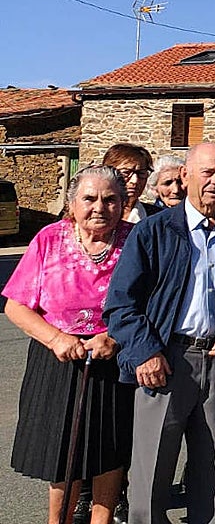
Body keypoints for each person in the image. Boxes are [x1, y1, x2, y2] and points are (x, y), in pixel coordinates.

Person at [104, 142, 215, 524]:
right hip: (164, 362)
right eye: (207, 172)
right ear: (186, 176)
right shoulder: (153, 232)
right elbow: (120, 303)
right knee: (151, 475)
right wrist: (145, 352)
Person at [4, 165, 135, 524]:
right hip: (57, 360)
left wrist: (116, 337)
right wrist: (56, 338)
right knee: (62, 454)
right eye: (89, 198)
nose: (100, 207)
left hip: (114, 357)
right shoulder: (48, 238)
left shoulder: (137, 239)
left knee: (110, 450)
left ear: (123, 203)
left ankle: (102, 520)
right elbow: (15, 305)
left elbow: (152, 303)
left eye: (110, 200)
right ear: (73, 202)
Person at [101, 143, 161, 223]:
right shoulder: (95, 213)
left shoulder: (157, 218)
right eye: (126, 173)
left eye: (141, 173)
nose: (135, 180)